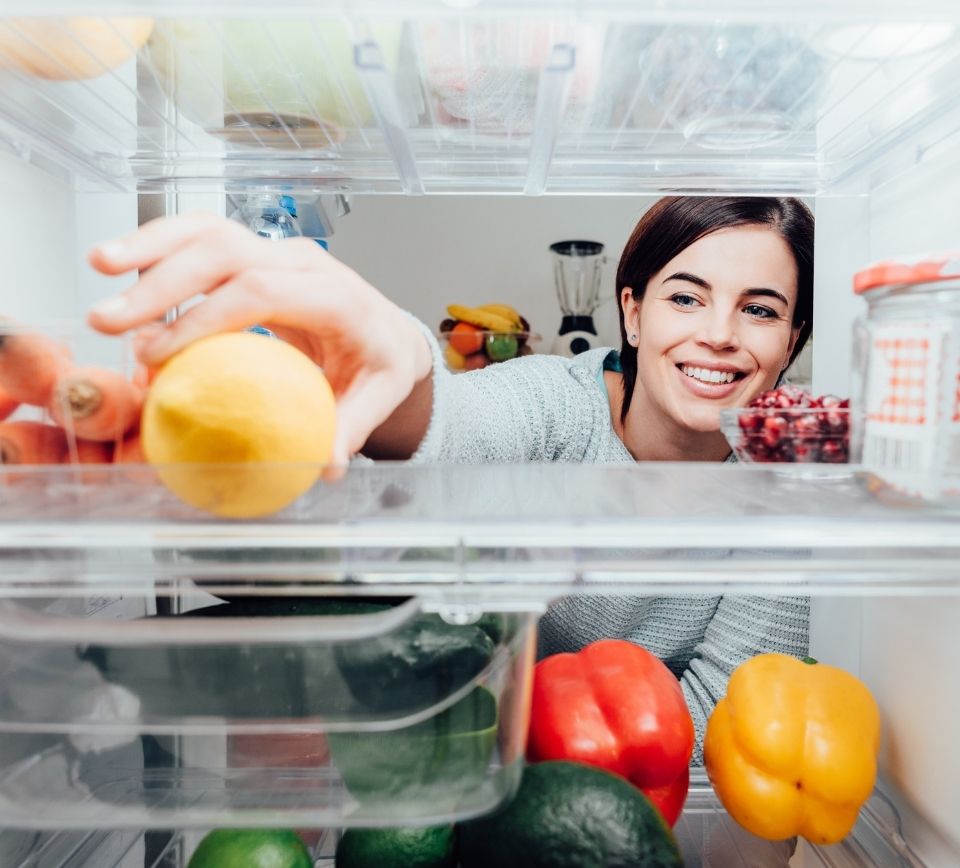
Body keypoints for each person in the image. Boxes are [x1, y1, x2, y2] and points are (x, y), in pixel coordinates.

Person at [87, 195, 813, 760]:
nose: (719, 333)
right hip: (470, 757)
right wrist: (398, 356)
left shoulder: (784, 492)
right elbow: (455, 424)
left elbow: (735, 716)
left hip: (633, 792)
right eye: (685, 297)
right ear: (631, 312)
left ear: (792, 343)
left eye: (759, 310)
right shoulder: (560, 401)